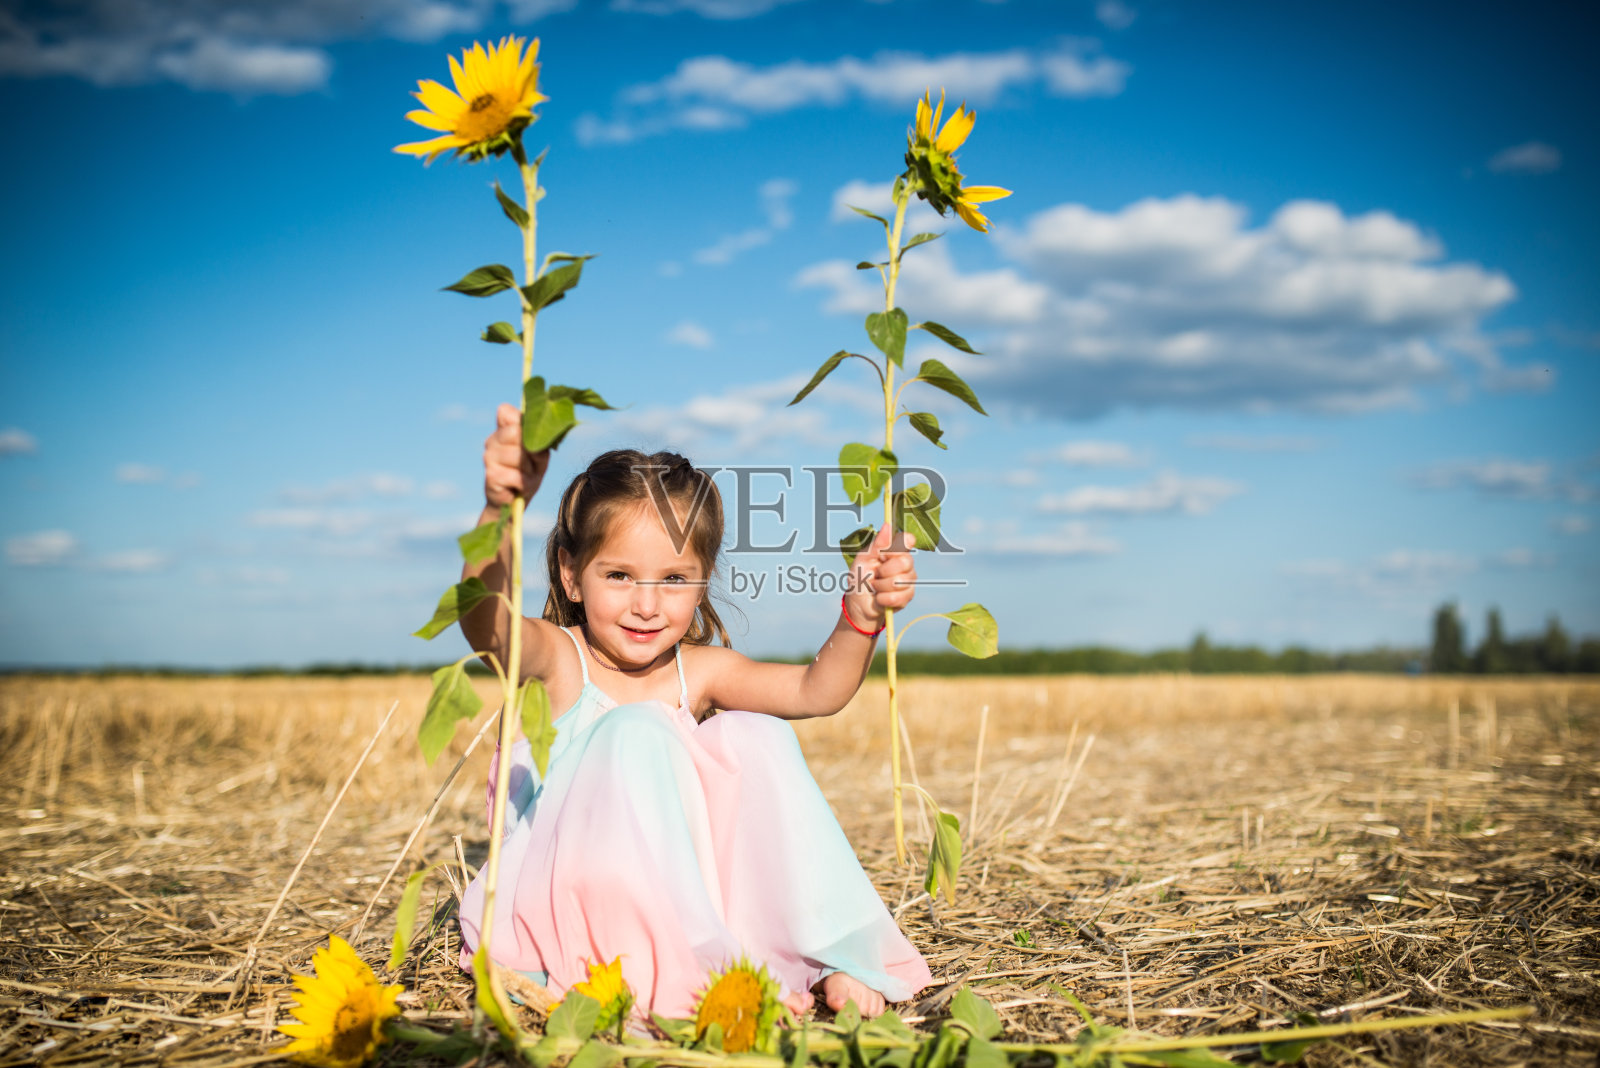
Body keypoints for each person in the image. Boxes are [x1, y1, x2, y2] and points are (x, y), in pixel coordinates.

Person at [454, 403, 933, 1021]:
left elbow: (814, 692)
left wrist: (859, 618)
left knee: (755, 735)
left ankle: (821, 952)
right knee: (638, 730)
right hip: (559, 902)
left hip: (683, 908)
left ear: (704, 581)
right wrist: (499, 511)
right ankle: (686, 986)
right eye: (619, 575)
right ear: (572, 576)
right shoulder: (559, 661)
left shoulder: (699, 671)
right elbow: (488, 626)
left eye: (675, 579)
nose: (647, 604)